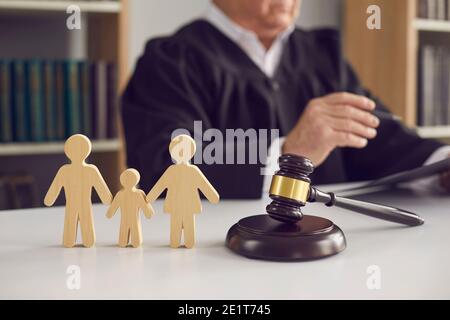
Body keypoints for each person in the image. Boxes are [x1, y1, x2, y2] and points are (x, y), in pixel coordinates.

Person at [122, 0, 450, 199]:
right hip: (219, 257)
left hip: (332, 251)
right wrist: (288, 153)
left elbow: (371, 134)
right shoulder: (169, 61)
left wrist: (440, 165)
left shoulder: (323, 53)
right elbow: (167, 161)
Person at [146, 135, 220, 248]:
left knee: (188, 223)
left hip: (189, 205)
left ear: (190, 152)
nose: (181, 153)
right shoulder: (171, 171)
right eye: (178, 150)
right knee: (175, 224)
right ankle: (175, 242)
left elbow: (204, 185)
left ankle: (188, 242)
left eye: (183, 150)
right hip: (175, 205)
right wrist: (149, 198)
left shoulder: (193, 171)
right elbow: (160, 185)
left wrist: (213, 197)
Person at [44, 134, 112, 247]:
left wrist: (49, 200)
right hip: (81, 204)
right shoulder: (89, 170)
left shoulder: (65, 171)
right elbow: (104, 193)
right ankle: (83, 241)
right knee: (83, 224)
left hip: (74, 204)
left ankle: (74, 241)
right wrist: (107, 200)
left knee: (74, 223)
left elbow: (52, 193)